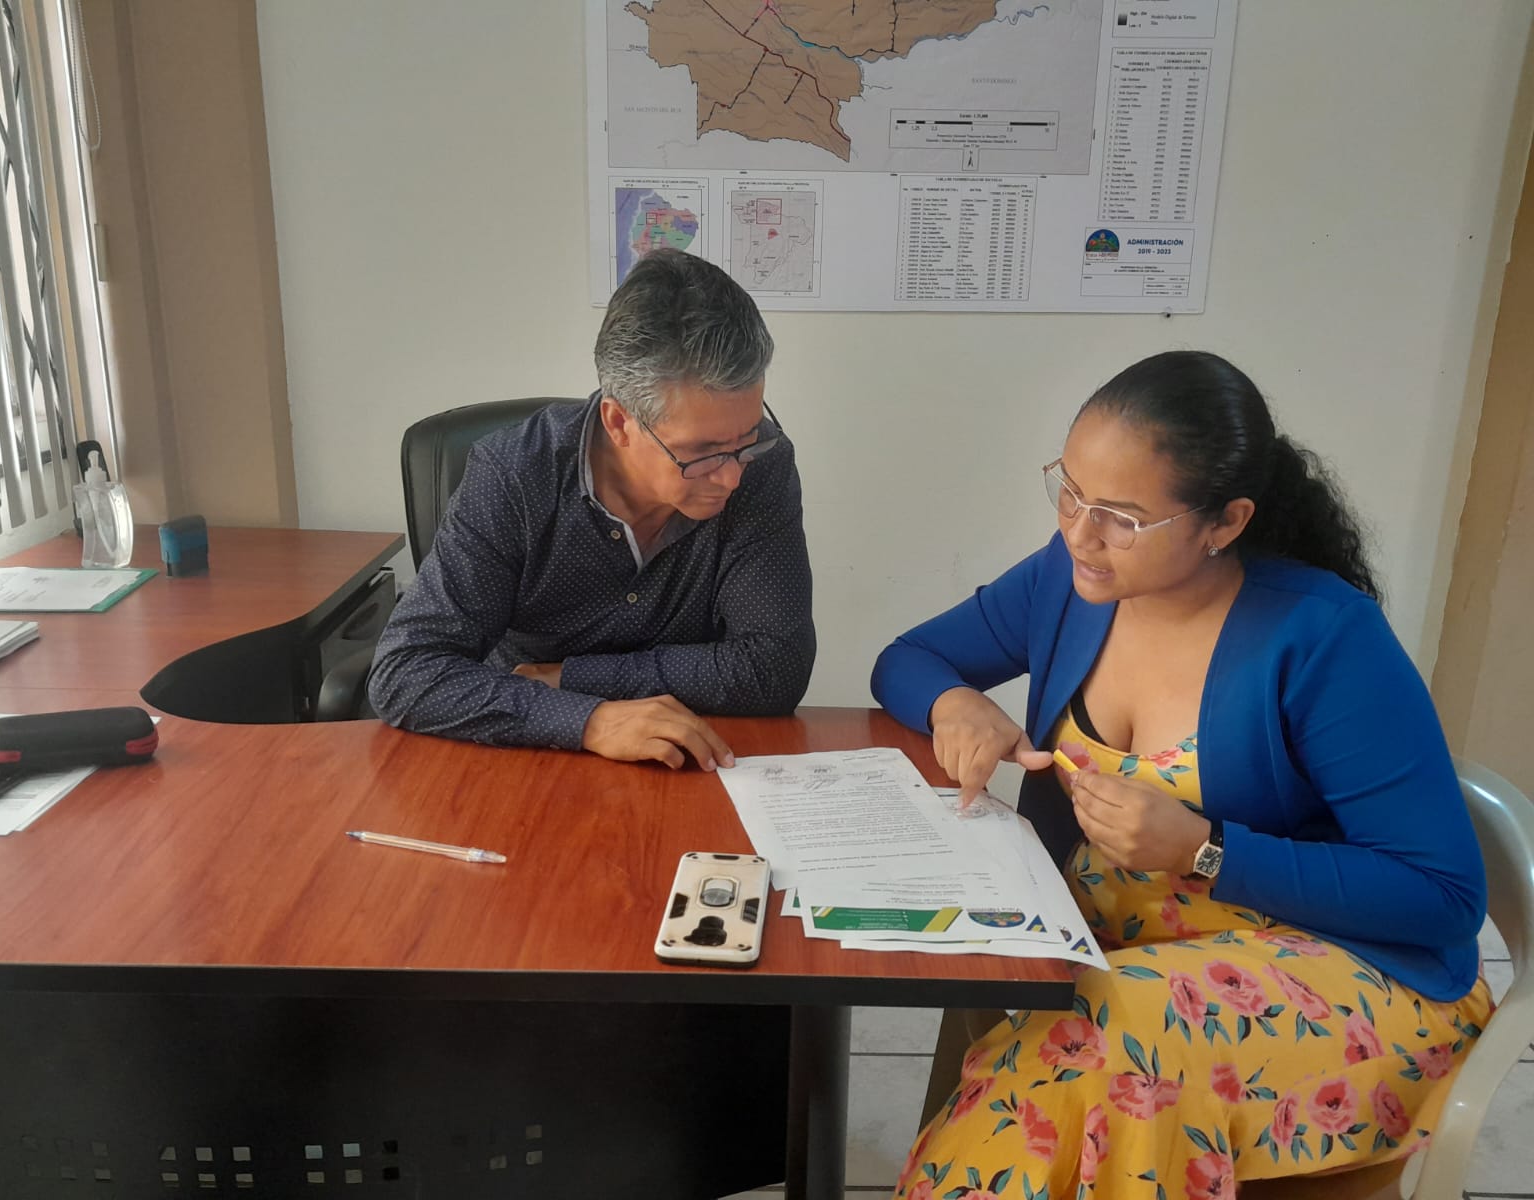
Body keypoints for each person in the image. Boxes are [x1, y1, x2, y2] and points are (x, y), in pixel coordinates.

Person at [871, 351, 1491, 1197]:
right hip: (1132, 962)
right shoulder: (1070, 580)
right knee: (1088, 1034)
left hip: (1345, 976)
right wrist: (955, 704)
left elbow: (1444, 897)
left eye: (1122, 517)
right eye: (1069, 492)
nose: (1080, 533)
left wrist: (1205, 850)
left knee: (1104, 1037)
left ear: (1224, 523)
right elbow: (908, 659)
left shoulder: (1323, 638)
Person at [368, 247, 815, 768]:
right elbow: (406, 671)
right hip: (529, 748)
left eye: (748, 437)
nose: (732, 476)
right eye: (702, 453)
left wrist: (572, 678)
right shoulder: (514, 477)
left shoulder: (763, 465)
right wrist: (588, 719)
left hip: (690, 756)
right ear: (619, 422)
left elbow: (775, 669)